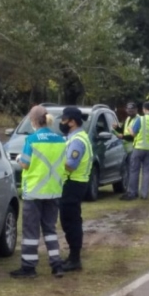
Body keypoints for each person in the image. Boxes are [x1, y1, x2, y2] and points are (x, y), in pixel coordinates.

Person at [10, 106, 66, 279]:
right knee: (50, 229)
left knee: (30, 232)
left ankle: (29, 267)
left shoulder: (32, 140)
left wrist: (18, 158)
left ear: (33, 121)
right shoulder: (60, 139)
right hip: (54, 190)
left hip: (34, 192)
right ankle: (57, 265)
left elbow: (25, 163)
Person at [59, 106, 93, 272]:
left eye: (64, 120)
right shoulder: (75, 137)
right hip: (74, 183)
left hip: (73, 183)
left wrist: (55, 161)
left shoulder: (77, 140)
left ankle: (74, 258)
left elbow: (71, 165)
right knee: (70, 221)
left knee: (71, 222)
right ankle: (73, 257)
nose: (61, 122)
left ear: (72, 121)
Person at [121, 101, 149, 201]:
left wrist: (130, 129)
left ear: (144, 109)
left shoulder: (141, 119)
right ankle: (144, 194)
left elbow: (133, 134)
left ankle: (132, 192)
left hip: (138, 148)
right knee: (147, 172)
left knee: (134, 170)